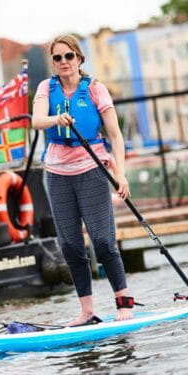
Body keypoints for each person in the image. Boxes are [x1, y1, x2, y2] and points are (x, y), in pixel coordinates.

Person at [32, 34, 135, 324]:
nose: (64, 62)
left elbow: (115, 135)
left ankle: (123, 304)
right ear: (53, 63)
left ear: (79, 58)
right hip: (57, 174)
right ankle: (87, 311)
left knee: (103, 241)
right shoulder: (45, 88)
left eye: (69, 56)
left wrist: (120, 174)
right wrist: (57, 119)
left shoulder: (95, 89)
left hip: (91, 170)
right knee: (72, 246)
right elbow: (36, 121)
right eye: (57, 58)